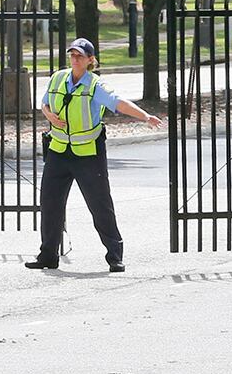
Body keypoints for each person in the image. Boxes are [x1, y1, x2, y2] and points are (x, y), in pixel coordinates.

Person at [26, 38, 163, 273]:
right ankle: (48, 255)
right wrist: (49, 116)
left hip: (88, 154)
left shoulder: (95, 86)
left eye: (80, 55)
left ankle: (115, 256)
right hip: (58, 151)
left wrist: (145, 116)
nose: (75, 59)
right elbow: (45, 103)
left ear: (91, 60)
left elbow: (118, 103)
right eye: (72, 55)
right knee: (50, 204)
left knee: (100, 206)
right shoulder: (58, 78)